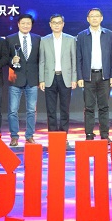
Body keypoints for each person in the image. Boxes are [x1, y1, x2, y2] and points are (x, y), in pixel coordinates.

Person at [76, 7, 112, 141]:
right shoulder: (82, 35)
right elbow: (78, 57)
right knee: (89, 107)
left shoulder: (108, 34)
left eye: (97, 16)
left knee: (104, 107)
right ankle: (89, 134)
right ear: (88, 19)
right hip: (88, 76)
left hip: (104, 76)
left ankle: (105, 135)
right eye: (92, 16)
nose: (94, 18)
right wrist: (80, 76)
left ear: (101, 18)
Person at [39, 13, 77, 149]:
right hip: (50, 78)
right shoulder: (44, 40)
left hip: (65, 78)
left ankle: (63, 136)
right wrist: (41, 79)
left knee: (64, 109)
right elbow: (41, 61)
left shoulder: (71, 39)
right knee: (51, 110)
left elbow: (74, 60)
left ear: (63, 24)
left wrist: (74, 78)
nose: (56, 25)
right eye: (54, 22)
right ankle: (53, 137)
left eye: (59, 22)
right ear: (50, 24)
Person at [6, 13, 41, 146]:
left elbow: (40, 59)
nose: (26, 25)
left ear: (31, 25)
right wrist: (12, 61)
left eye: (28, 23)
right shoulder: (10, 39)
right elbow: (5, 57)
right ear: (18, 24)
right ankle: (14, 136)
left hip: (32, 79)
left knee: (31, 110)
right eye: (23, 23)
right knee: (13, 110)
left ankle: (29, 136)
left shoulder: (38, 39)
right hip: (15, 79)